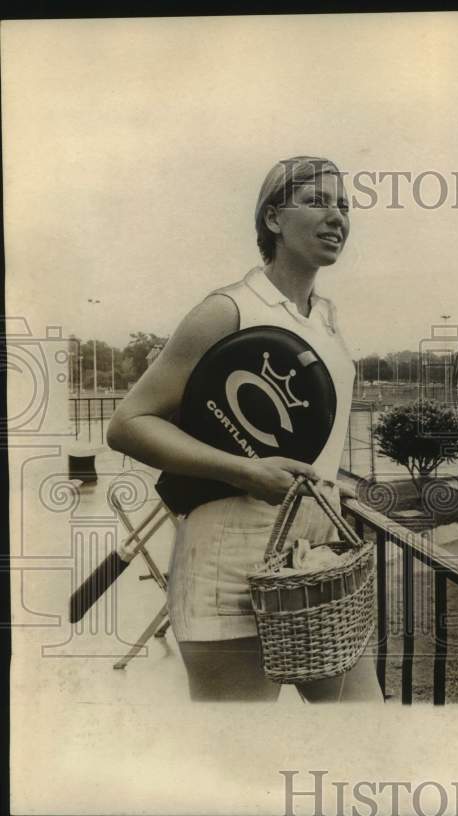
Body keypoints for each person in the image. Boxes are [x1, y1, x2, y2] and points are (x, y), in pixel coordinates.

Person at [108, 156, 382, 702]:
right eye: (318, 201)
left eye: (345, 206)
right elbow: (128, 425)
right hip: (227, 563)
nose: (338, 218)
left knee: (364, 731)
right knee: (237, 756)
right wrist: (245, 472)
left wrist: (332, 487)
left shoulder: (325, 317)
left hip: (316, 559)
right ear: (274, 218)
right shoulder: (228, 309)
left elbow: (312, 444)